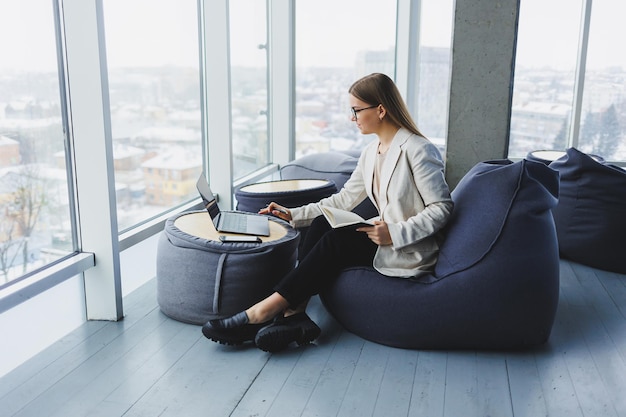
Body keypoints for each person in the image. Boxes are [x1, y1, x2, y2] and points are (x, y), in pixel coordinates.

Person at [202, 73, 453, 352]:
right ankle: (294, 315)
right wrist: (294, 214)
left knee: (336, 241)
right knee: (323, 224)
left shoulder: (419, 149)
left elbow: (442, 207)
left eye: (357, 110)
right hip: (382, 235)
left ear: (380, 109)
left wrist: (395, 233)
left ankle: (262, 312)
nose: (352, 118)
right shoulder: (371, 152)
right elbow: (344, 199)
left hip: (407, 246)